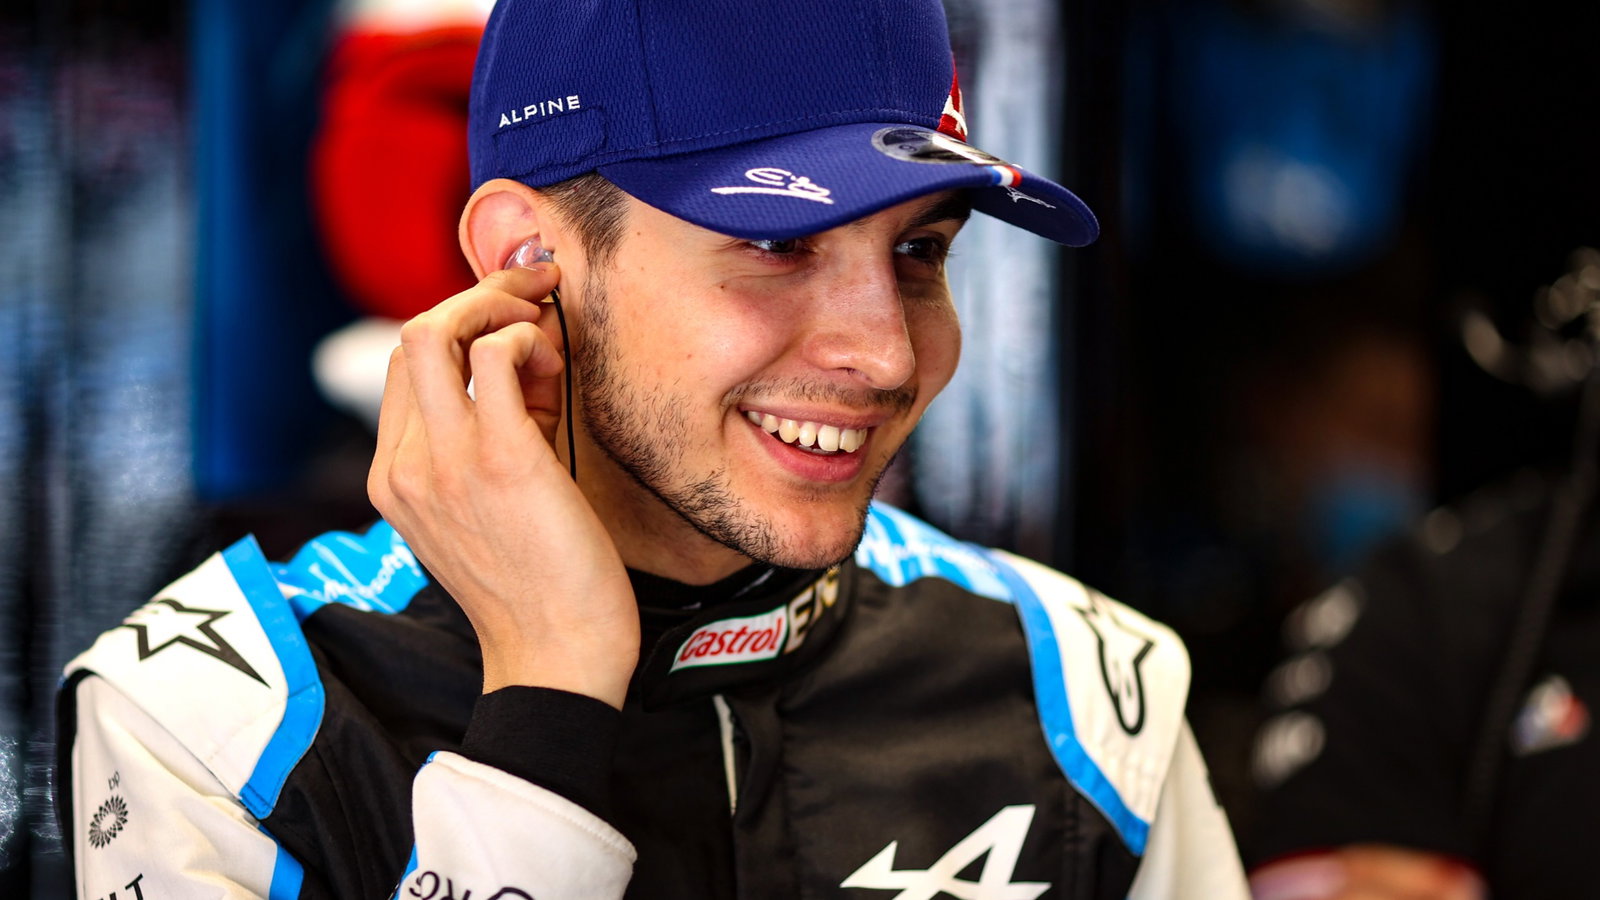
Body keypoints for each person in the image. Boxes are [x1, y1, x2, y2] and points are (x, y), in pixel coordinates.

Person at [58, 1, 1248, 897]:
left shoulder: (1087, 697)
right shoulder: (212, 721)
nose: (887, 355)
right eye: (780, 242)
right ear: (528, 258)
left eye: (919, 253)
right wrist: (549, 697)